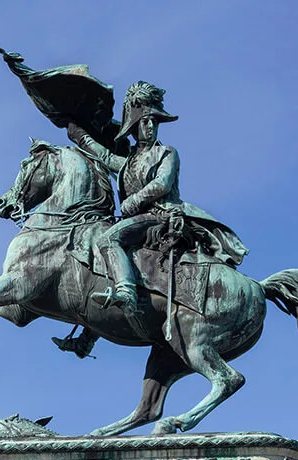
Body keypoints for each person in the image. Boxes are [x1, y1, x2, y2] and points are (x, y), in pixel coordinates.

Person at [66, 81, 248, 316]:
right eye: (145, 121)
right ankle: (90, 332)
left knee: (107, 241)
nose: (151, 127)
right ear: (134, 125)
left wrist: (135, 200)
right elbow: (106, 156)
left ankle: (126, 292)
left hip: (161, 215)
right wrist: (79, 136)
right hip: (140, 218)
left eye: (154, 121)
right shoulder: (129, 162)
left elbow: (162, 184)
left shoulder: (167, 152)